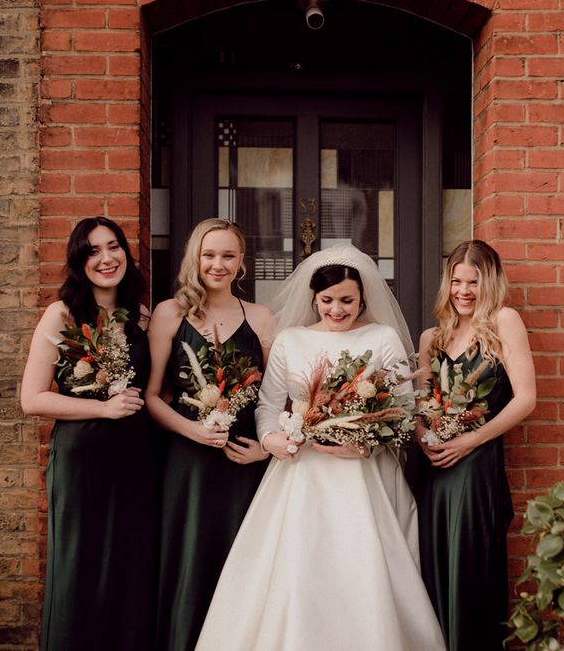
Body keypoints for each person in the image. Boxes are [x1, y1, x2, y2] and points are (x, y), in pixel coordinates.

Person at [195, 244, 446, 651]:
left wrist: (368, 446)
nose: (336, 309)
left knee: (363, 566)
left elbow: (403, 407)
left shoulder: (382, 337)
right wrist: (271, 438)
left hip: (363, 472)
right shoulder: (291, 340)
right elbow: (269, 405)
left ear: (363, 298)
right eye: (327, 300)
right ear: (314, 298)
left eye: (347, 300)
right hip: (301, 472)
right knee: (296, 568)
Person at [20, 217, 157, 651]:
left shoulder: (143, 316)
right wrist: (102, 408)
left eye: (113, 247)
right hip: (83, 463)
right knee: (79, 567)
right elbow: (32, 398)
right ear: (79, 262)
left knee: (132, 568)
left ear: (126, 254)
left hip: (138, 459)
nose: (106, 258)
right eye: (92, 251)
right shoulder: (61, 315)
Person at [146, 218, 275, 651]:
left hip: (243, 462)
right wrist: (192, 430)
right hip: (189, 463)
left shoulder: (260, 317)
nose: (217, 265)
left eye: (228, 256)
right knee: (191, 559)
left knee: (242, 561)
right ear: (194, 259)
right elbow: (153, 395)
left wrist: (264, 450)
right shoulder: (170, 313)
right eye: (209, 255)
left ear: (241, 263)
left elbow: (277, 400)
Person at [413, 240, 536, 651]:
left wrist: (470, 441)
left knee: (469, 568)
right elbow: (420, 403)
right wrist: (422, 435)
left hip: (476, 464)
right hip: (432, 469)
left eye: (474, 282)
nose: (464, 291)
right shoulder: (432, 335)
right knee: (432, 565)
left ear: (491, 283)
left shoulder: (505, 321)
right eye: (456, 281)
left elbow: (525, 399)